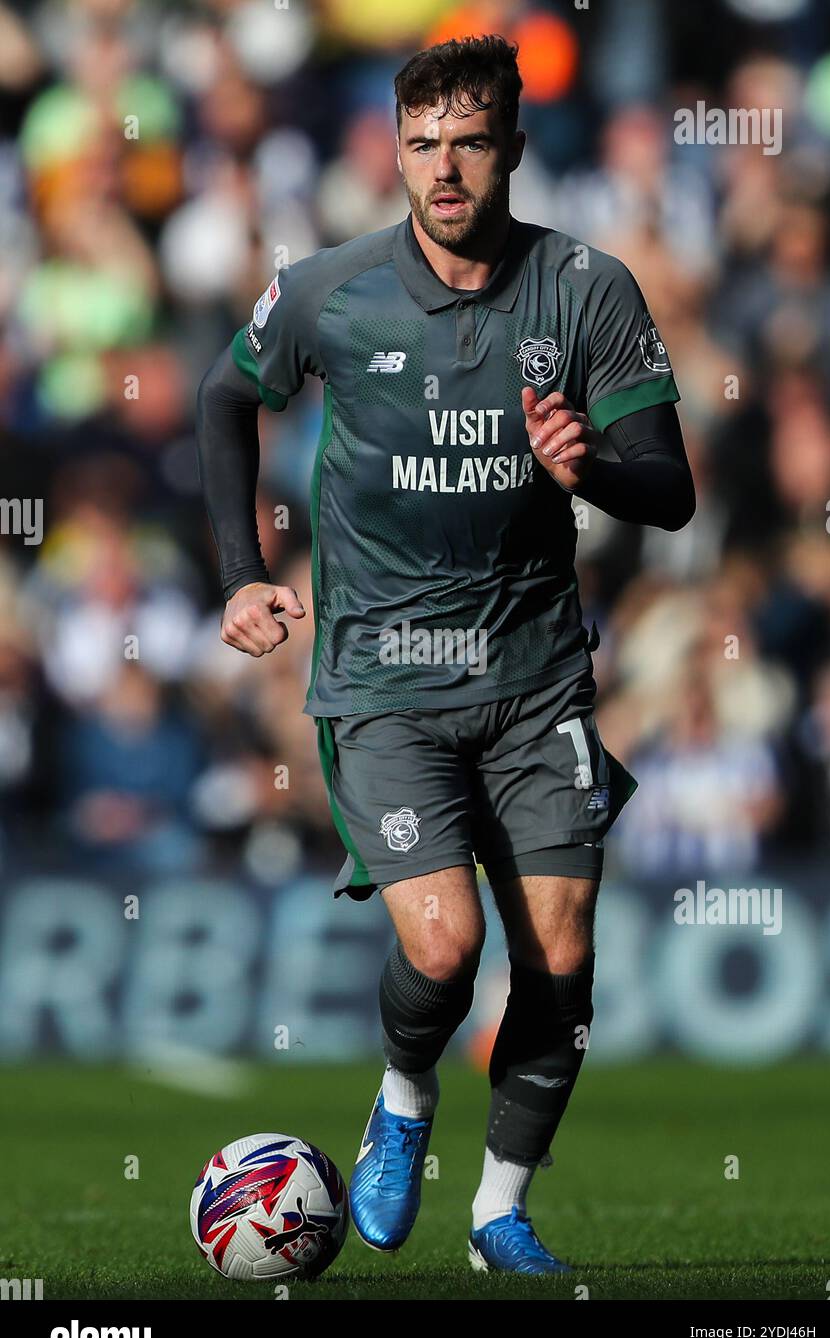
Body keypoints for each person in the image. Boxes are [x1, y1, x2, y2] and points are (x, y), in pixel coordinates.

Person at [196, 34, 694, 1275]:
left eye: (468, 140)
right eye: (421, 143)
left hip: (535, 683)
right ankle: (404, 1098)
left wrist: (591, 471)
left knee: (563, 952)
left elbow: (671, 490)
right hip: (383, 680)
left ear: (513, 149)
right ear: (394, 152)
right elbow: (221, 398)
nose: (443, 167)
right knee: (442, 947)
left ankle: (497, 1209)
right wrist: (241, 575)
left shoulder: (586, 290)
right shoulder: (329, 291)